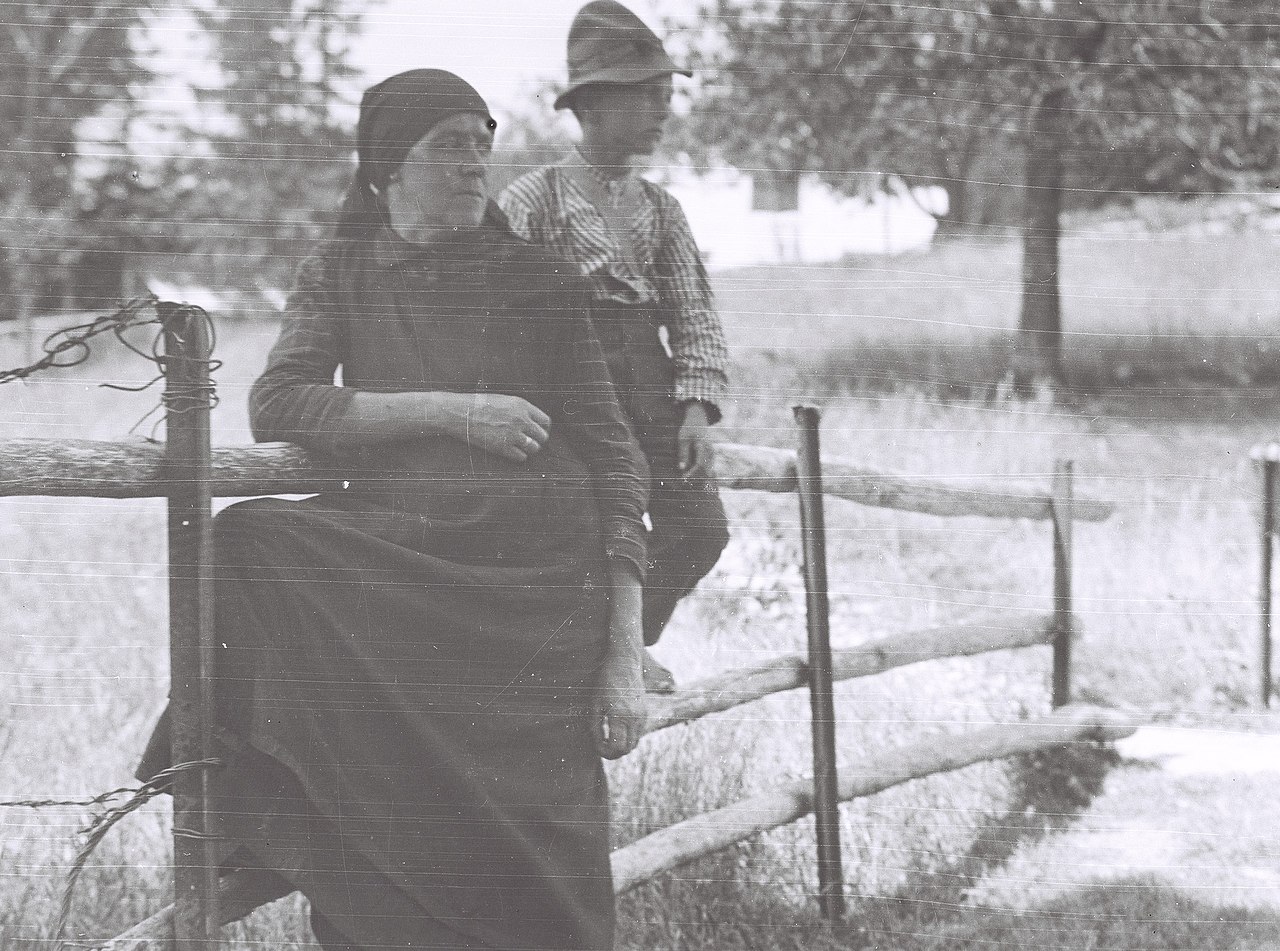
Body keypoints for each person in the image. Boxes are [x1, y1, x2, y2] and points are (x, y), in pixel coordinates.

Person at [137, 69, 648, 951]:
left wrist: (626, 651)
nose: (474, 164)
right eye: (448, 145)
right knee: (247, 541)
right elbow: (282, 403)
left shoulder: (542, 280)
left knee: (541, 870)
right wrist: (453, 409)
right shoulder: (341, 269)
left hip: (533, 596)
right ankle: (246, 806)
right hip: (402, 565)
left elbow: (616, 458)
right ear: (385, 170)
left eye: (481, 143)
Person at [499, 0, 731, 695]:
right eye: (648, 99)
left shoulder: (662, 209)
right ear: (593, 106)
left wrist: (696, 409)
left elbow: (693, 312)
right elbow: (501, 315)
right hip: (570, 387)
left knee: (700, 529)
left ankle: (627, 642)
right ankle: (603, 656)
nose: (663, 114)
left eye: (667, 98)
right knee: (597, 526)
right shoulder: (531, 199)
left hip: (652, 383)